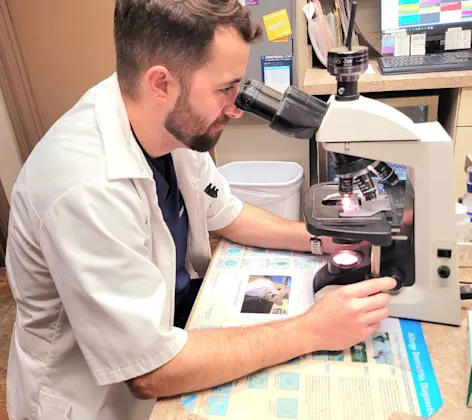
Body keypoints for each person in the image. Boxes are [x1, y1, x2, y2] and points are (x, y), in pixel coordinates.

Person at [5, 1, 395, 419]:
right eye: (225, 89)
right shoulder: (86, 188)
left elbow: (228, 214)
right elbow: (150, 371)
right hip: (96, 398)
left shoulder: (165, 123)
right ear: (161, 83)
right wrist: (313, 329)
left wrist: (320, 236)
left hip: (166, 326)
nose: (237, 106)